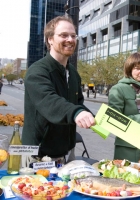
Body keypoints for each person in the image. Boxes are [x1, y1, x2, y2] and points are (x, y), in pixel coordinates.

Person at [22, 16, 95, 167]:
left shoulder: (73, 73)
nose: (70, 39)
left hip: (66, 152)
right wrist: (76, 113)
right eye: (63, 35)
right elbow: (50, 101)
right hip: (38, 154)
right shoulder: (37, 71)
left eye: (73, 36)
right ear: (50, 39)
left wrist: (100, 119)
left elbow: (78, 104)